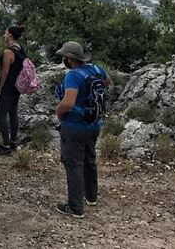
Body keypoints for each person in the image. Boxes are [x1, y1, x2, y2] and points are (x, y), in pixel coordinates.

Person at [54, 41, 113, 219]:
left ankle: (75, 207)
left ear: (70, 59)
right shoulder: (95, 69)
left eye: (65, 57)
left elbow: (69, 102)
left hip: (74, 126)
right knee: (89, 160)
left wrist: (58, 111)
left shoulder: (73, 76)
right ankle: (91, 196)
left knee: (73, 164)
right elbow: (108, 83)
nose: (64, 59)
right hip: (94, 124)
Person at [0, 26, 26, 155]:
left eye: (6, 33)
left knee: (1, 114)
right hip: (17, 86)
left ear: (10, 35)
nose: (4, 35)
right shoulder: (20, 48)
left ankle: (6, 145)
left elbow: (4, 71)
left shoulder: (8, 52)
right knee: (13, 113)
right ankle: (13, 142)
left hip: (8, 86)